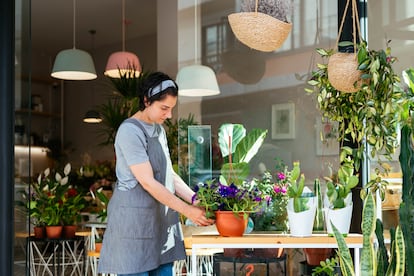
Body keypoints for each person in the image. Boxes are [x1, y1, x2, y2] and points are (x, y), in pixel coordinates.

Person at [98, 71, 214, 276]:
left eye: (171, 109)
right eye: (164, 108)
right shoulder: (130, 131)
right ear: (146, 100)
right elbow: (148, 182)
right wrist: (187, 211)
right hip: (133, 225)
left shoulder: (159, 131)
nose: (169, 115)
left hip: (158, 223)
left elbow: (170, 175)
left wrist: (195, 199)